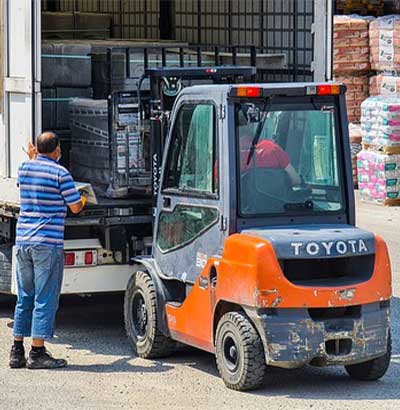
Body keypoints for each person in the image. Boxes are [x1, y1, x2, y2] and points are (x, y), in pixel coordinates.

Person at [9, 132, 86, 369]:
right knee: (45, 299)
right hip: (47, 244)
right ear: (57, 150)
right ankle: (37, 353)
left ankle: (16, 351)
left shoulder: (25, 168)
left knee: (25, 297)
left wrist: (33, 159)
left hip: (23, 242)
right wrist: (83, 198)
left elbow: (27, 179)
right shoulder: (61, 174)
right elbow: (74, 208)